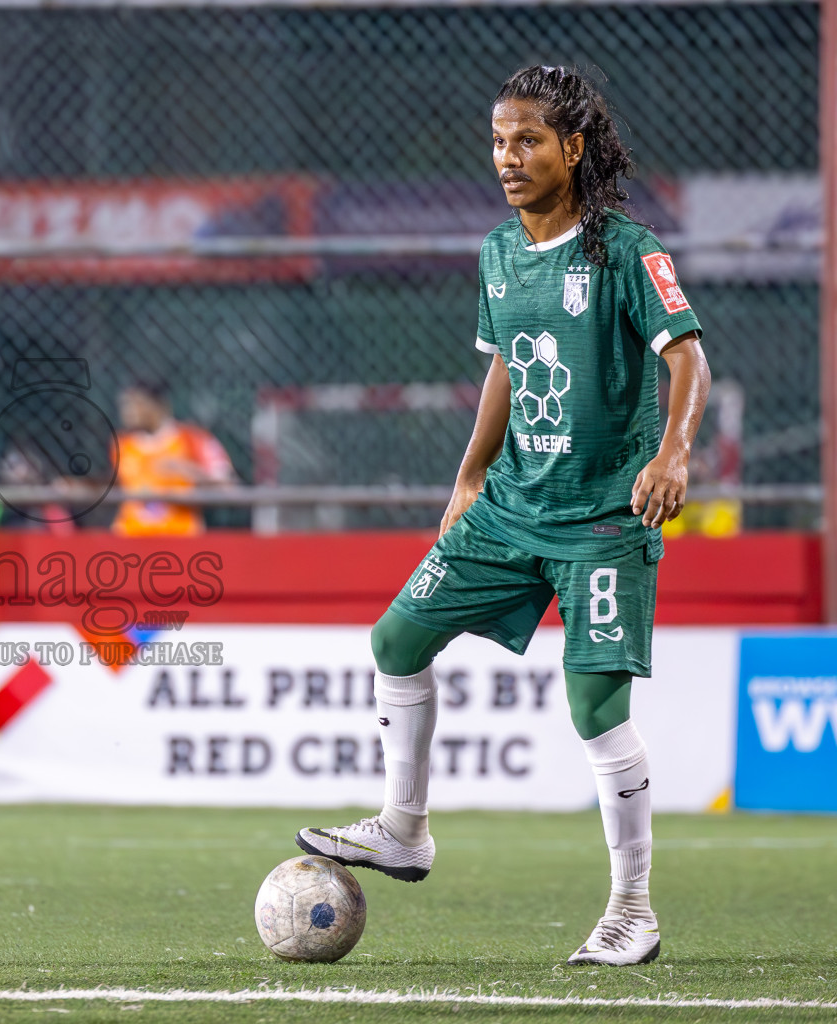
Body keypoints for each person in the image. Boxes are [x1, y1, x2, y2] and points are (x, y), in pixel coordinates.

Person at [295, 65, 711, 968]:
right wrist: (469, 475)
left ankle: (631, 908)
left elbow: (689, 360)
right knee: (396, 642)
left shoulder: (629, 250)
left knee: (595, 707)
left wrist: (673, 452)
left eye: (527, 140)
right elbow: (504, 368)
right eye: (497, 140)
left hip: (604, 516)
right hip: (513, 505)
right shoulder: (496, 253)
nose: (508, 157)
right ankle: (404, 828)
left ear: (575, 148)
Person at [111, 380, 234, 536]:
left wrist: (189, 472)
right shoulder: (121, 445)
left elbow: (228, 485)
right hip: (130, 538)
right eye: (125, 405)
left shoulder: (192, 438)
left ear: (158, 405)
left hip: (180, 537)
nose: (128, 412)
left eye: (136, 404)